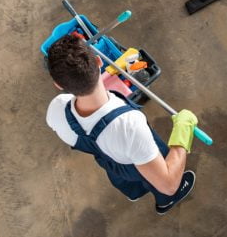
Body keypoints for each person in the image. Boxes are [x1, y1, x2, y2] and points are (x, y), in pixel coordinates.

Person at [45, 34, 198, 214]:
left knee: (118, 168)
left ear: (58, 85)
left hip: (109, 159)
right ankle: (165, 202)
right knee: (156, 175)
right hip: (131, 159)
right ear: (99, 62)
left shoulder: (56, 108)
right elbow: (168, 184)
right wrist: (183, 131)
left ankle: (134, 191)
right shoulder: (130, 125)